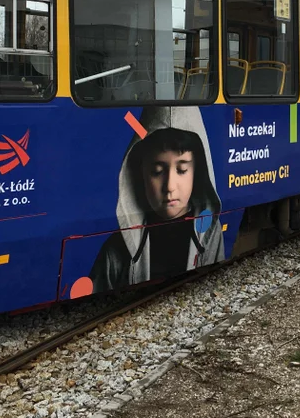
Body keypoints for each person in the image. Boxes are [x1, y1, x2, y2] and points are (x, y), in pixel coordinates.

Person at [89, 106, 225, 292]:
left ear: (198, 172)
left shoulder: (210, 231)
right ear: (139, 174)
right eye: (157, 172)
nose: (169, 186)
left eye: (182, 170)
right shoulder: (115, 250)